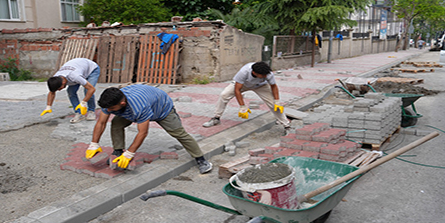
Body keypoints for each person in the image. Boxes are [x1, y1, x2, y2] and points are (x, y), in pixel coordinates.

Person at [85, 85, 213, 174]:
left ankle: (201, 160)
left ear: (122, 104)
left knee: (179, 133)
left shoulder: (138, 106)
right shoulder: (110, 102)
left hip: (162, 108)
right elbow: (101, 123)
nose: (108, 111)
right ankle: (118, 151)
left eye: (111, 109)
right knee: (116, 124)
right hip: (139, 104)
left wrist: (130, 154)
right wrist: (94, 144)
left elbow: (143, 132)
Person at [202, 61, 291, 131]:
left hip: (261, 86)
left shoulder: (268, 73)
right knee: (224, 95)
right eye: (262, 75)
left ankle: (286, 125)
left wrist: (277, 100)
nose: (265, 76)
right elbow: (237, 90)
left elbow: (273, 86)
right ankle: (216, 118)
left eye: (265, 75)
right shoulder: (244, 72)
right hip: (243, 84)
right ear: (254, 72)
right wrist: (242, 106)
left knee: (274, 105)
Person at [41, 58, 100, 123]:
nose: (60, 90)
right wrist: (48, 106)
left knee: (87, 90)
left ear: (63, 83)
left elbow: (91, 89)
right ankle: (78, 113)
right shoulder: (56, 78)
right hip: (79, 70)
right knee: (71, 92)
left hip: (92, 70)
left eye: (59, 88)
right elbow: (52, 92)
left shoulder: (75, 76)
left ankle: (91, 111)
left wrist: (83, 102)